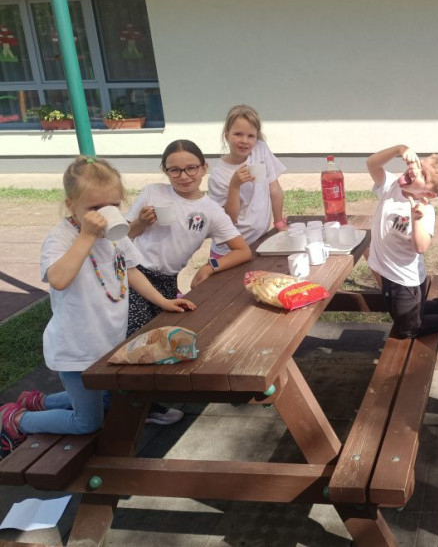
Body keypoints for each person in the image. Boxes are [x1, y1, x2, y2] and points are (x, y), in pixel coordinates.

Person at [0, 157, 195, 459]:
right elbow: (58, 279)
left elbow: (131, 271)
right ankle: (16, 420)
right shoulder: (62, 238)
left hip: (107, 343)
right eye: (95, 208)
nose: (105, 214)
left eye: (113, 205)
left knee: (106, 398)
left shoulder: (115, 237)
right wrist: (87, 236)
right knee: (88, 422)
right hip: (76, 351)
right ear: (71, 205)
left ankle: (40, 401)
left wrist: (164, 301)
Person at [125, 139, 253, 424]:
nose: (183, 176)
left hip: (166, 281)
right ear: (165, 171)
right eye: (174, 170)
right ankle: (138, 408)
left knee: (161, 341)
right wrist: (141, 224)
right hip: (133, 274)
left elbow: (243, 250)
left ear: (204, 168)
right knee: (135, 340)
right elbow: (122, 238)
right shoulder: (152, 193)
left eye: (191, 168)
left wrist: (211, 266)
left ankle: (137, 402)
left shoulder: (211, 210)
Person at [366, 144, 438, 352]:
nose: (415, 170)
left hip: (405, 281)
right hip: (388, 273)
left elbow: (421, 247)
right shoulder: (391, 186)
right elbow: (372, 164)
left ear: (429, 194)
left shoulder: (424, 211)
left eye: (424, 175)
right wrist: (399, 149)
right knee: (403, 312)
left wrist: (416, 220)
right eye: (420, 164)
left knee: (407, 327)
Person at [207, 104, 287, 255]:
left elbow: (274, 189)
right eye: (238, 134)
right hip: (231, 251)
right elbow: (228, 221)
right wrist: (235, 185)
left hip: (259, 241)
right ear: (226, 135)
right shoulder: (218, 175)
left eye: (251, 136)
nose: (245, 140)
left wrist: (279, 223)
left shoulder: (260, 149)